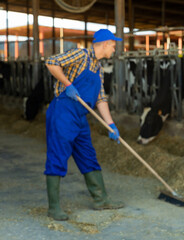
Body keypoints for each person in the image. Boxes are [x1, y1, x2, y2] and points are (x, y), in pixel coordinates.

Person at [44, 29, 124, 221]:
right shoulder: (81, 55)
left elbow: (100, 98)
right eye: (113, 45)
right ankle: (54, 207)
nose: (114, 49)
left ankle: (101, 199)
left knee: (88, 155)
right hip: (63, 110)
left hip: (80, 115)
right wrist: (68, 84)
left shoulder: (99, 69)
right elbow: (51, 62)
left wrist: (110, 124)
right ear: (105, 44)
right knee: (58, 155)